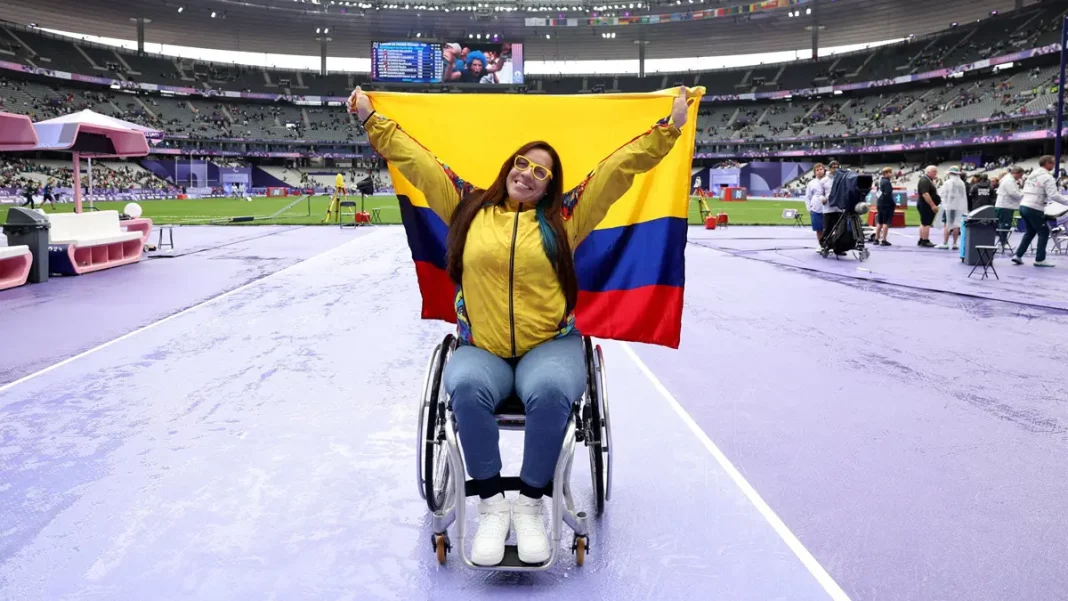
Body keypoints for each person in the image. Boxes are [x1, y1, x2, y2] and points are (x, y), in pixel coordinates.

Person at [348, 85, 690, 566]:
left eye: (541, 172)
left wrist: (669, 128)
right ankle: (491, 505)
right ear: (509, 166)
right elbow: (419, 164)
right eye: (522, 164)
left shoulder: (566, 219)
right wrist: (370, 120)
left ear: (550, 186)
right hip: (482, 347)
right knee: (463, 388)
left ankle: (529, 503)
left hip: (548, 345)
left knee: (551, 391)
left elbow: (617, 171)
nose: (528, 174)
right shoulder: (467, 207)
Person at [1012, 155, 1068, 267]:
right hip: (1034, 207)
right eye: (1052, 163)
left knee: (1030, 232)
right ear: (1047, 163)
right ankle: (1040, 259)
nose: (1054, 166)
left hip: (1023, 206)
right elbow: (1054, 195)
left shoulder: (1031, 175)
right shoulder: (1047, 177)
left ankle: (1018, 255)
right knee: (1044, 232)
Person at [936, 166, 967, 250]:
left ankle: (945, 243)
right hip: (958, 206)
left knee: (947, 224)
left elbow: (942, 193)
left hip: (949, 206)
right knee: (956, 224)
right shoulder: (961, 183)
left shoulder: (948, 182)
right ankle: (954, 243)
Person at [994, 166, 1024, 249]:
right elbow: (1013, 193)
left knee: (1004, 225)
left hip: (1006, 206)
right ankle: (1003, 243)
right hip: (1005, 206)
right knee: (1004, 225)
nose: (1021, 177)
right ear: (1016, 173)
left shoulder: (1009, 179)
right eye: (1020, 175)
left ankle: (1003, 241)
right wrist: (1023, 195)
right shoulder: (1009, 181)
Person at [915, 165, 940, 247]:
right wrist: (933, 205)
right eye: (933, 171)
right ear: (928, 171)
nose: (935, 173)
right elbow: (925, 194)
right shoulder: (925, 180)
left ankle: (922, 239)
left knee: (924, 222)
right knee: (926, 223)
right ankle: (925, 240)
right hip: (926, 205)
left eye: (936, 171)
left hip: (925, 204)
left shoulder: (928, 180)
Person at [804, 163, 827, 245]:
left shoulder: (830, 181)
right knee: (819, 229)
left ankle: (830, 245)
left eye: (821, 169)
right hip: (816, 208)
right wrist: (809, 209)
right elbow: (807, 196)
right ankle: (821, 245)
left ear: (824, 170)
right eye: (817, 170)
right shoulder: (811, 183)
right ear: (814, 172)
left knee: (830, 228)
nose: (819, 171)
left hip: (829, 208)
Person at [821, 160, 842, 245]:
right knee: (828, 229)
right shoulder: (824, 180)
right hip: (828, 208)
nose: (836, 169)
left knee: (840, 230)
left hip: (840, 208)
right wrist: (823, 199)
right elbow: (819, 194)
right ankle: (824, 245)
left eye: (837, 167)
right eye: (833, 168)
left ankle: (839, 247)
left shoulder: (842, 179)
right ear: (829, 169)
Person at [874, 167, 895, 246]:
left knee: (880, 222)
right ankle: (884, 240)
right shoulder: (886, 182)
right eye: (890, 172)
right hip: (886, 204)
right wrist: (891, 203)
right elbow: (888, 193)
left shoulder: (880, 181)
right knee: (886, 222)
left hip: (880, 203)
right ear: (886, 173)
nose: (891, 174)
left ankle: (876, 239)